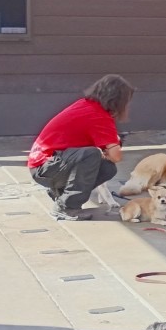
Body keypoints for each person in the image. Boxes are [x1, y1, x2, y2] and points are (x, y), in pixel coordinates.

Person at [27, 74, 135, 221]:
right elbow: (116, 156)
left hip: (44, 166)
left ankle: (61, 194)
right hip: (45, 168)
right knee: (91, 155)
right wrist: (107, 150)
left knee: (107, 168)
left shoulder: (85, 105)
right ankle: (66, 207)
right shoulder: (98, 115)